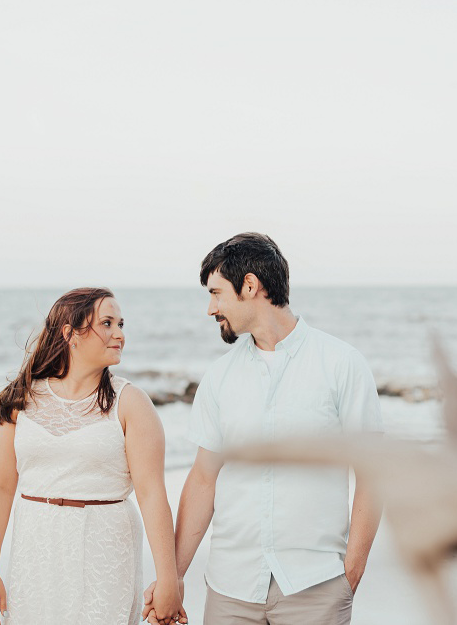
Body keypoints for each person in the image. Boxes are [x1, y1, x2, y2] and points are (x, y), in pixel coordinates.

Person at [144, 233, 384, 625]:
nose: (211, 308)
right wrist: (175, 575)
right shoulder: (219, 377)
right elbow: (204, 479)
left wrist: (350, 576)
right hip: (230, 590)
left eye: (217, 293)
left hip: (316, 586)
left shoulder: (342, 364)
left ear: (250, 285)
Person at [0, 287, 186, 625]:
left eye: (121, 324)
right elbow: (0, 486)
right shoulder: (20, 399)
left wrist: (168, 580)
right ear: (70, 333)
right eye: (107, 323)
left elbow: (151, 495)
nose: (119, 334)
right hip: (35, 549)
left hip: (105, 551)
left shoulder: (131, 403)